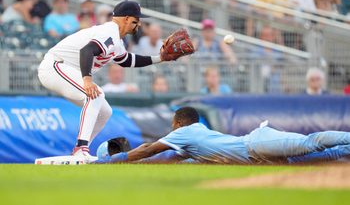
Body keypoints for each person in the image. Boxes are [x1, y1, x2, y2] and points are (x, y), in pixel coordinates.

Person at [38, 0, 184, 162]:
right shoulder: (109, 32)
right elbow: (87, 50)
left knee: (104, 111)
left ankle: (79, 151)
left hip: (66, 69)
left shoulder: (116, 40)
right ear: (126, 18)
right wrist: (87, 80)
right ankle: (81, 148)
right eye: (136, 20)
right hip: (55, 66)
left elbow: (127, 60)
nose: (138, 24)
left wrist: (160, 58)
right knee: (95, 95)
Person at [97, 107, 350, 164]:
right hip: (260, 157)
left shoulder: (184, 132)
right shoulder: (196, 138)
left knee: (311, 143)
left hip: (256, 144)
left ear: (177, 123)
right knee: (325, 155)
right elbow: (180, 162)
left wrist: (115, 160)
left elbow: (151, 149)